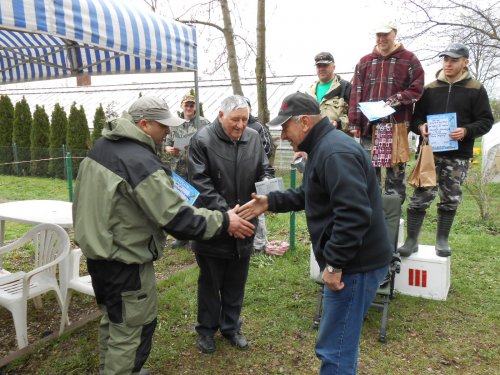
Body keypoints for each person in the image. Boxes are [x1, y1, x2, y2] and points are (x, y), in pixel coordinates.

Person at [72, 96, 255, 375]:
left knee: (114, 320)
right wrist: (223, 221)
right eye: (163, 125)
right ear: (143, 124)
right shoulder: (139, 163)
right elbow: (177, 219)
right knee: (132, 329)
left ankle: (109, 369)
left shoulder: (101, 148)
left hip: (99, 257)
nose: (168, 131)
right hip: (126, 261)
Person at [238, 92, 392, 374]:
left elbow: (354, 215)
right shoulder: (323, 147)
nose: (283, 136)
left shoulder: (334, 153)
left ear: (305, 122)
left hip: (354, 266)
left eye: (285, 127)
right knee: (339, 343)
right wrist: (270, 202)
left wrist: (334, 264)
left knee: (336, 347)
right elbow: (312, 194)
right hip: (354, 261)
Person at [188, 95, 274, 354]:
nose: (240, 125)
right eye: (235, 119)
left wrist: (269, 191)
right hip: (214, 223)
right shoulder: (202, 140)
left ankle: (231, 327)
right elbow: (200, 184)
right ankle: (206, 330)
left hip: (246, 220)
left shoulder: (253, 137)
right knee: (210, 281)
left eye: (244, 119)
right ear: (221, 115)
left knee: (237, 279)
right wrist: (227, 215)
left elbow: (265, 169)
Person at [398, 43, 493, 258]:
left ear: (465, 62)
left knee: (450, 199)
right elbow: (416, 119)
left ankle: (442, 239)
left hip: (458, 155)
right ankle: (411, 240)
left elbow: (486, 121)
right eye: (446, 59)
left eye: (454, 60)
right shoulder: (430, 88)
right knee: (419, 198)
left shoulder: (475, 89)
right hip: (429, 154)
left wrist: (467, 131)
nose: (448, 64)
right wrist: (420, 127)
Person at [348, 20, 425, 202]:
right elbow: (355, 92)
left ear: (394, 34)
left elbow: (418, 88)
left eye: (385, 34)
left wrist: (397, 99)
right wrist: (354, 122)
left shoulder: (409, 59)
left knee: (395, 179)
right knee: (367, 175)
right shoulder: (364, 62)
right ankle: (371, 218)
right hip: (369, 129)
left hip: (396, 128)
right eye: (378, 35)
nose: (381, 39)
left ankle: (392, 219)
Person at [165, 93, 211, 248]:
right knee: (181, 203)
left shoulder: (204, 123)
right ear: (182, 106)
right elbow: (167, 142)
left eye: (192, 105)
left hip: (197, 169)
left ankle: (196, 237)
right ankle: (182, 237)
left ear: (196, 107)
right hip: (178, 170)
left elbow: (211, 143)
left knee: (197, 202)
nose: (189, 108)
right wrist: (169, 149)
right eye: (187, 105)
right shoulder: (175, 123)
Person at [243, 96, 275, 252]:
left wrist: (258, 164)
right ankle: (247, 242)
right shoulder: (231, 127)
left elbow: (267, 149)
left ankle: (259, 244)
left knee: (259, 208)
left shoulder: (257, 127)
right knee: (246, 207)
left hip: (256, 174)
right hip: (241, 175)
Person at [308, 52, 351, 131]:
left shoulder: (345, 87)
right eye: (319, 66)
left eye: (325, 65)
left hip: (338, 139)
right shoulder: (310, 91)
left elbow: (354, 116)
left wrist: (338, 123)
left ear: (333, 67)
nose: (321, 68)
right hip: (316, 140)